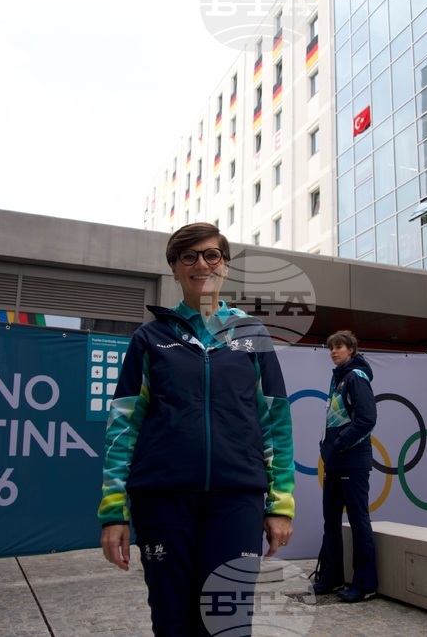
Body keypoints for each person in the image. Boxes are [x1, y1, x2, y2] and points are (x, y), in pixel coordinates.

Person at [98, 222, 295, 636]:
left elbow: (275, 422)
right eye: (188, 256)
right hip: (164, 502)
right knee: (173, 623)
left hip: (237, 501)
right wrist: (113, 511)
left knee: (228, 623)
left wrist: (280, 503)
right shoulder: (150, 339)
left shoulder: (252, 335)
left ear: (225, 265)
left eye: (211, 255)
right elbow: (122, 427)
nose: (201, 264)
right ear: (173, 268)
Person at [314, 330, 378, 602]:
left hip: (353, 462)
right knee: (331, 522)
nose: (334, 351)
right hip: (336, 463)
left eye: (339, 347)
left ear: (351, 350)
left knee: (358, 521)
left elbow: (367, 419)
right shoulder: (338, 378)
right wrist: (327, 448)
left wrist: (339, 443)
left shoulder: (356, 377)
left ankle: (365, 584)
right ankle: (332, 577)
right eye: (331, 348)